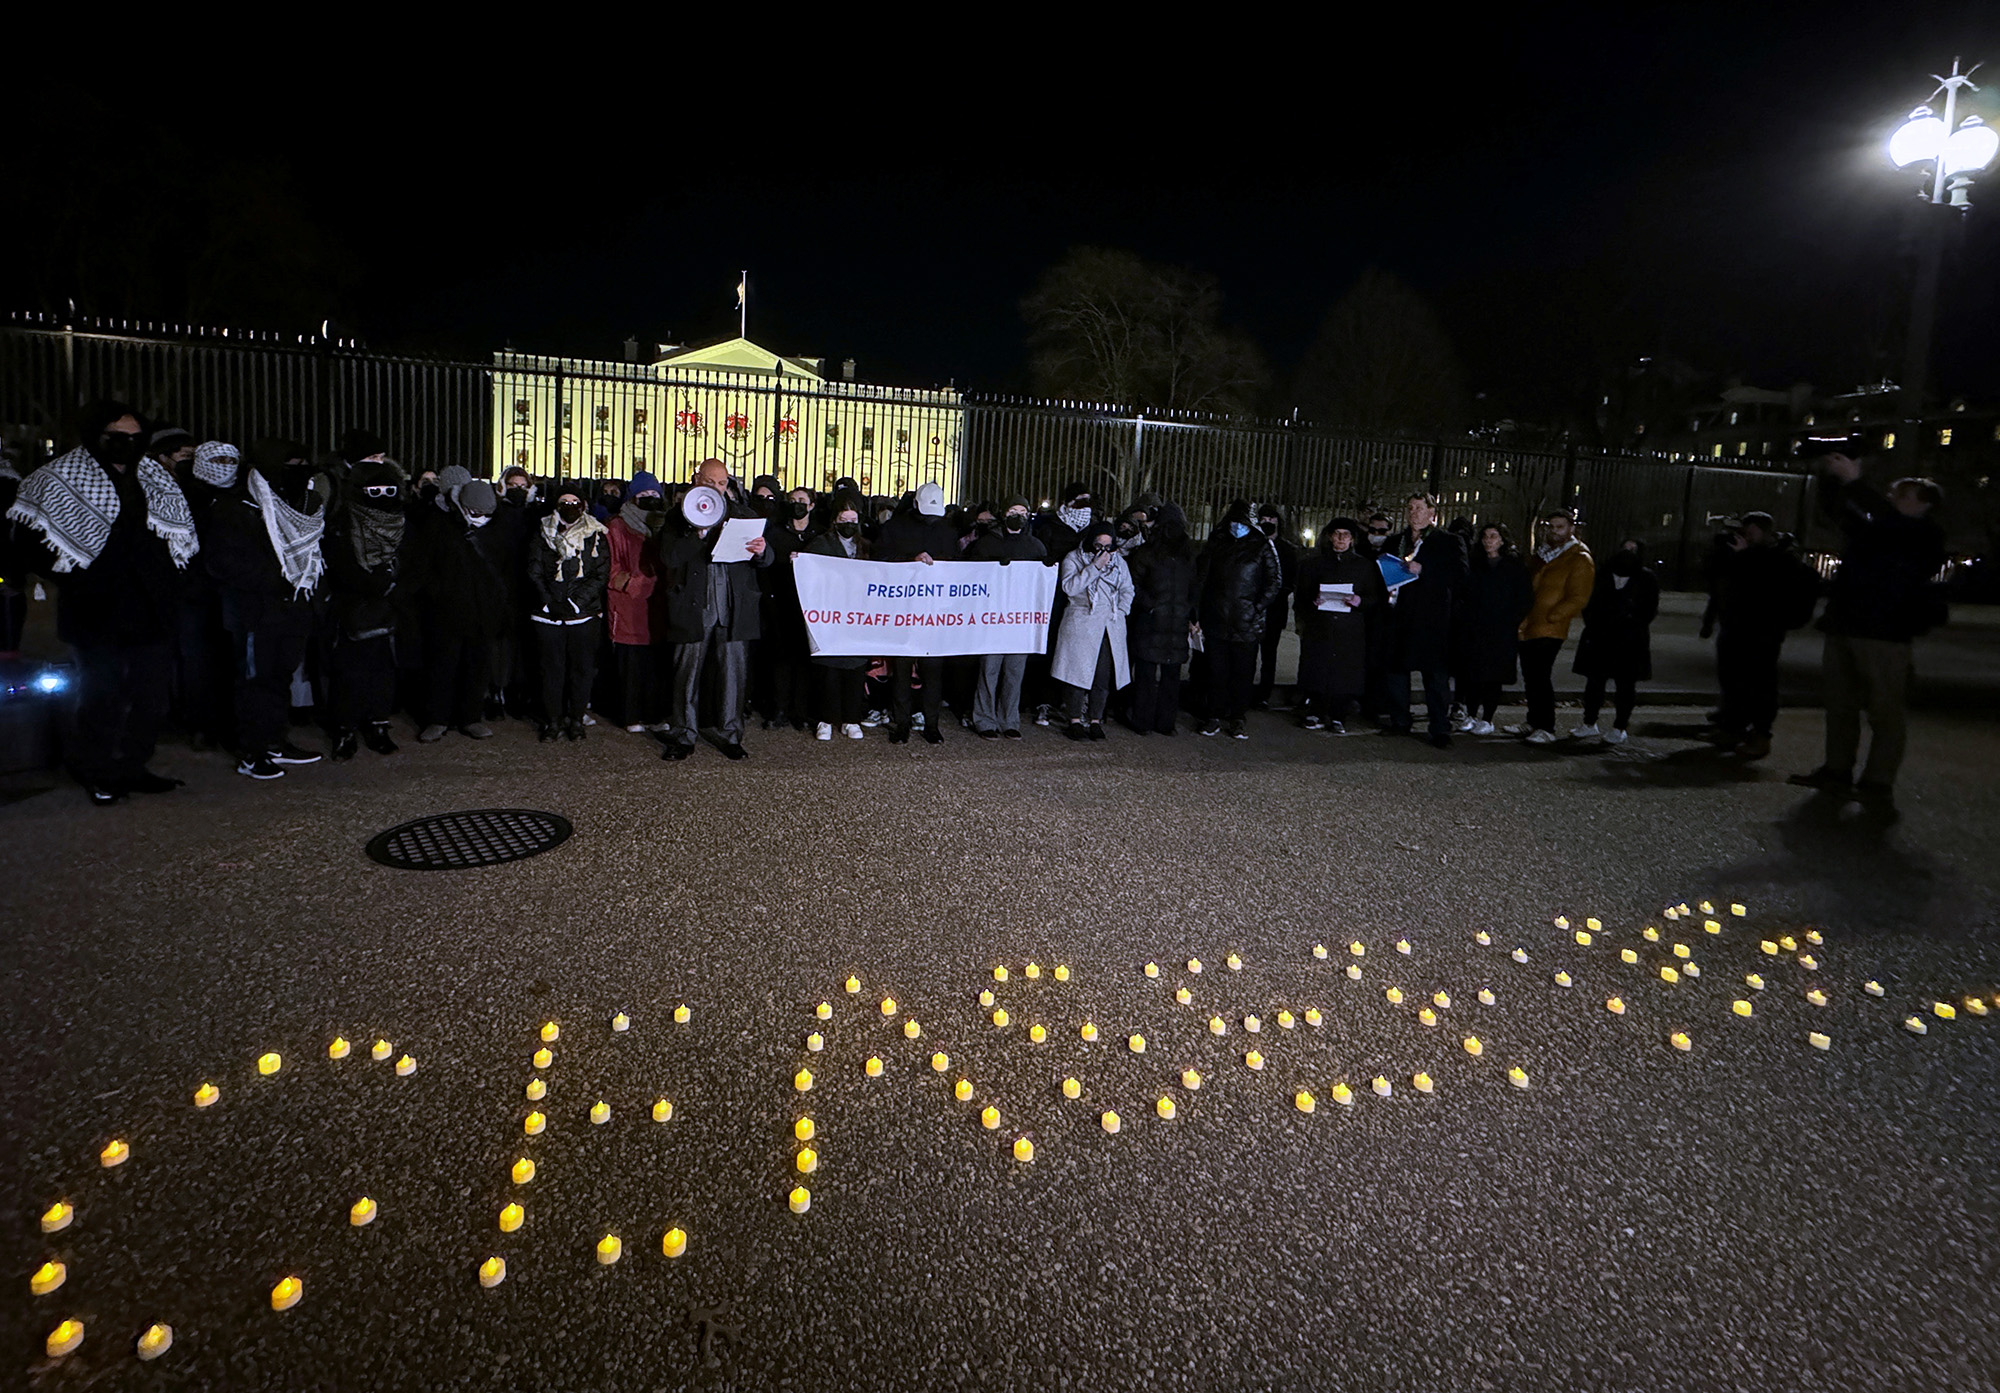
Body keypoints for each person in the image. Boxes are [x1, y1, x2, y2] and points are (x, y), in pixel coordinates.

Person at [8, 401, 199, 803]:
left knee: (150, 696)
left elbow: (176, 535)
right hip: (96, 610)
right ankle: (95, 769)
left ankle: (133, 765)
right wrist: (79, 574)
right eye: (117, 437)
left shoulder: (154, 479)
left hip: (152, 607)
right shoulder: (58, 479)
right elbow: (29, 541)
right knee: (102, 696)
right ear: (97, 436)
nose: (126, 445)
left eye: (134, 438)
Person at [1790, 450, 1947, 810]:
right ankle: (1837, 771)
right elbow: (1840, 514)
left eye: (1903, 495)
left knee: (1884, 711)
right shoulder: (1882, 526)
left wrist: (1856, 483)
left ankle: (1877, 782)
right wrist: (1832, 480)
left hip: (1885, 632)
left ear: (1925, 505)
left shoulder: (1923, 534)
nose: (1894, 500)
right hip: (1849, 623)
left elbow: (1888, 523)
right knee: (1840, 705)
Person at [203, 439, 328, 779]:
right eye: (290, 464)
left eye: (303, 464)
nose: (298, 471)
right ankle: (252, 752)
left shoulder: (298, 502)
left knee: (280, 678)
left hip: (293, 606)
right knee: (254, 681)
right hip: (254, 610)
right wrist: (277, 577)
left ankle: (274, 741)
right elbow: (222, 562)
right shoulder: (234, 505)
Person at [655, 458, 771, 761]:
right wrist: (699, 533)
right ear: (696, 480)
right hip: (694, 607)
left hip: (732, 609)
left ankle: (731, 734)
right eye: (711, 483)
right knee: (686, 674)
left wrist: (762, 551)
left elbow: (767, 559)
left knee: (734, 673)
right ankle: (683, 734)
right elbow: (669, 557)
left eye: (722, 483)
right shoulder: (677, 518)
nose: (717, 489)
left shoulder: (742, 515)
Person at [1700, 510, 1818, 760]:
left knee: (1760, 682)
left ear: (1764, 532)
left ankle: (1761, 735)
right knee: (1732, 679)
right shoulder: (1743, 553)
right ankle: (1732, 728)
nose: (1747, 537)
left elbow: (1765, 584)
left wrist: (1745, 556)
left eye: (1751, 533)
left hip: (1764, 631)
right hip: (1735, 626)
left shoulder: (1781, 557)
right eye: (1744, 532)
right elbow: (1717, 578)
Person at [404, 470, 511, 742]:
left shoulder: (497, 527)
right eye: (475, 512)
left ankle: (471, 718)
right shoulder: (440, 525)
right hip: (446, 612)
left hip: (483, 613)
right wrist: (438, 595)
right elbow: (424, 567)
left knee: (477, 667)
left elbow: (505, 569)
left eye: (485, 513)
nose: (480, 518)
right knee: (442, 667)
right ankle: (437, 719)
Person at [321, 458, 410, 760]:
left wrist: (393, 584)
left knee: (383, 672)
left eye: (388, 489)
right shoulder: (343, 521)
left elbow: (412, 559)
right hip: (353, 608)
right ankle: (344, 730)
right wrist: (376, 582)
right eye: (374, 490)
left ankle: (378, 725)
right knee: (349, 673)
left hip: (390, 608)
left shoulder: (400, 519)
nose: (382, 496)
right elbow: (339, 564)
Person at [873, 480, 961, 744]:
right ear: (914, 505)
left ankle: (931, 724)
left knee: (933, 672)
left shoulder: (947, 531)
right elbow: (879, 562)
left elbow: (958, 568)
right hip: (904, 612)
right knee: (901, 671)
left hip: (935, 614)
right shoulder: (895, 528)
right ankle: (902, 724)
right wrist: (909, 561)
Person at [1382, 492, 1468, 747]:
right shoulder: (1396, 541)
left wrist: (1426, 570)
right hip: (1400, 615)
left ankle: (1440, 727)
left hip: (1432, 619)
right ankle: (1400, 720)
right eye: (1410, 508)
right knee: (1397, 671)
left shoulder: (1448, 542)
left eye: (1420, 508)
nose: (1414, 513)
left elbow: (1461, 575)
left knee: (1435, 676)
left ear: (1432, 512)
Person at [527, 484, 610, 741]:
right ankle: (552, 721)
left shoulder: (596, 533)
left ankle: (575, 719)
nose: (570, 506)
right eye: (564, 501)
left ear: (583, 505)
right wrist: (550, 602)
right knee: (551, 669)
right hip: (548, 614)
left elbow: (600, 572)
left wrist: (575, 603)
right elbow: (534, 570)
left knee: (581, 669)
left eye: (575, 501)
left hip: (583, 615)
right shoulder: (542, 532)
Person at [172, 440, 241, 751]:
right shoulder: (182, 494)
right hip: (194, 592)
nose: (224, 466)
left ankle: (230, 722)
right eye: (218, 460)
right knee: (198, 661)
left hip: (232, 589)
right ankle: (201, 724)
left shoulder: (244, 493)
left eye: (230, 460)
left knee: (233, 659)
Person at [1195, 500, 1282, 739]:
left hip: (1247, 622)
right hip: (1217, 619)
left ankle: (1238, 717)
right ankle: (1213, 715)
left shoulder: (1262, 546)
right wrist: (1199, 613)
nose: (1236, 527)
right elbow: (1202, 579)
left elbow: (1274, 581)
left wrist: (1256, 607)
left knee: (1243, 673)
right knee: (1215, 671)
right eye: (1233, 522)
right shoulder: (1217, 543)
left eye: (1241, 523)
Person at [965, 494, 1047, 738]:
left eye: (1023, 511)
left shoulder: (1035, 546)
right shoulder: (986, 544)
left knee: (1014, 671)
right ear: (1004, 513)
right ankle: (984, 719)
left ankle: (1010, 720)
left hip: (1019, 621)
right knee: (989, 670)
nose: (1018, 516)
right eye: (1013, 510)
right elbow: (971, 576)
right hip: (992, 618)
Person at [1293, 517, 1386, 733]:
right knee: (1317, 668)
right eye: (1337, 534)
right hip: (1321, 626)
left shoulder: (1364, 566)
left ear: (1352, 539)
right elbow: (1301, 597)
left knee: (1344, 673)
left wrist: (1359, 601)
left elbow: (1374, 597)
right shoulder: (1314, 564)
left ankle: (1338, 715)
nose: (1341, 539)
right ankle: (1314, 711)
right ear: (1330, 537)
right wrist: (1312, 602)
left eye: (1346, 535)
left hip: (1349, 628)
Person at [1513, 509, 1595, 745]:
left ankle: (1546, 726)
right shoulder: (1544, 554)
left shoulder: (1579, 558)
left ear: (1571, 529)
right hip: (1530, 623)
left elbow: (1579, 596)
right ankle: (1534, 721)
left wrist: (1554, 615)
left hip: (1550, 626)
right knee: (1531, 675)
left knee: (1540, 675)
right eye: (1551, 526)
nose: (1554, 531)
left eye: (1560, 527)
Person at [1569, 540, 1659, 744]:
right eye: (1624, 548)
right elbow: (1588, 603)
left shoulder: (1646, 578)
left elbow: (1649, 609)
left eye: (1632, 549)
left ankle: (1619, 727)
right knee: (1594, 683)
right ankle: (1589, 723)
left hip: (1629, 641)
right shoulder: (1602, 574)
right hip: (1601, 637)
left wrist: (1629, 623)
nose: (1627, 553)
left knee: (1625, 686)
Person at [1052, 520, 1134, 740]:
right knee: (1077, 674)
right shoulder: (1073, 558)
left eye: (1109, 545)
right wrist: (1094, 568)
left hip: (1110, 624)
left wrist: (1121, 611)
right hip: (1082, 622)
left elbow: (1128, 589)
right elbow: (1070, 587)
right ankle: (1074, 719)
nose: (1104, 550)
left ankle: (1096, 719)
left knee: (1102, 674)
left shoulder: (1119, 563)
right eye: (1100, 545)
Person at [1123, 502, 1198, 736]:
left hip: (1167, 620)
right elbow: (1133, 584)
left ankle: (1157, 721)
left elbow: (1194, 588)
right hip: (1160, 620)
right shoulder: (1157, 553)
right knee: (1155, 675)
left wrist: (1189, 614)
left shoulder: (1179, 554)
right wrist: (1153, 605)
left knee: (1164, 676)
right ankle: (1153, 721)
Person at [1455, 522, 1533, 736]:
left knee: (1493, 677)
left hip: (1500, 630)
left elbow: (1524, 597)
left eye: (1493, 536)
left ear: (1502, 540)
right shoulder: (1475, 563)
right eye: (1486, 536)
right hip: (1475, 628)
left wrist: (1511, 621)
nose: (1489, 540)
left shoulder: (1513, 566)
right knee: (1472, 674)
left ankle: (1487, 717)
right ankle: (1470, 714)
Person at [1030, 480, 1097, 725]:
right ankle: (1043, 701)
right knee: (1048, 650)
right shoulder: (1050, 527)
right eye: (1080, 502)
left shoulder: (1092, 530)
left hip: (1080, 601)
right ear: (1067, 503)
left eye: (1088, 503)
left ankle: (1069, 702)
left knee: (1074, 652)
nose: (1085, 508)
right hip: (1053, 600)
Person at [603, 472, 664, 732]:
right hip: (629, 604)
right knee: (631, 664)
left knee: (654, 664)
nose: (649, 499)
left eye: (654, 495)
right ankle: (631, 715)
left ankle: (654, 714)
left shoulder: (664, 524)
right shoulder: (617, 526)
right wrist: (635, 582)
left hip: (657, 605)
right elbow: (611, 568)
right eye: (644, 494)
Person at [806, 494, 871, 740]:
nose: (849, 524)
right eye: (844, 519)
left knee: (855, 668)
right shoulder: (820, 544)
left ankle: (851, 718)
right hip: (830, 617)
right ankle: (825, 719)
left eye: (853, 519)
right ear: (835, 520)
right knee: (829, 669)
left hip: (857, 618)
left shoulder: (865, 546)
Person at [755, 484, 817, 732]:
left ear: (811, 505)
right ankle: (779, 709)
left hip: (810, 607)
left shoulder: (818, 534)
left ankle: (799, 711)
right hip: (781, 601)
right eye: (792, 500)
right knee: (781, 658)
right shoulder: (776, 533)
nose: (797, 504)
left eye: (801, 500)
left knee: (804, 658)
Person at [1251, 502, 1298, 709]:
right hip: (1253, 608)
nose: (1268, 522)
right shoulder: (1251, 545)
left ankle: (1263, 694)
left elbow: (1290, 580)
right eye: (1264, 519)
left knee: (1269, 655)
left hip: (1275, 610)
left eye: (1272, 519)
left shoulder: (1287, 550)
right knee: (1249, 653)